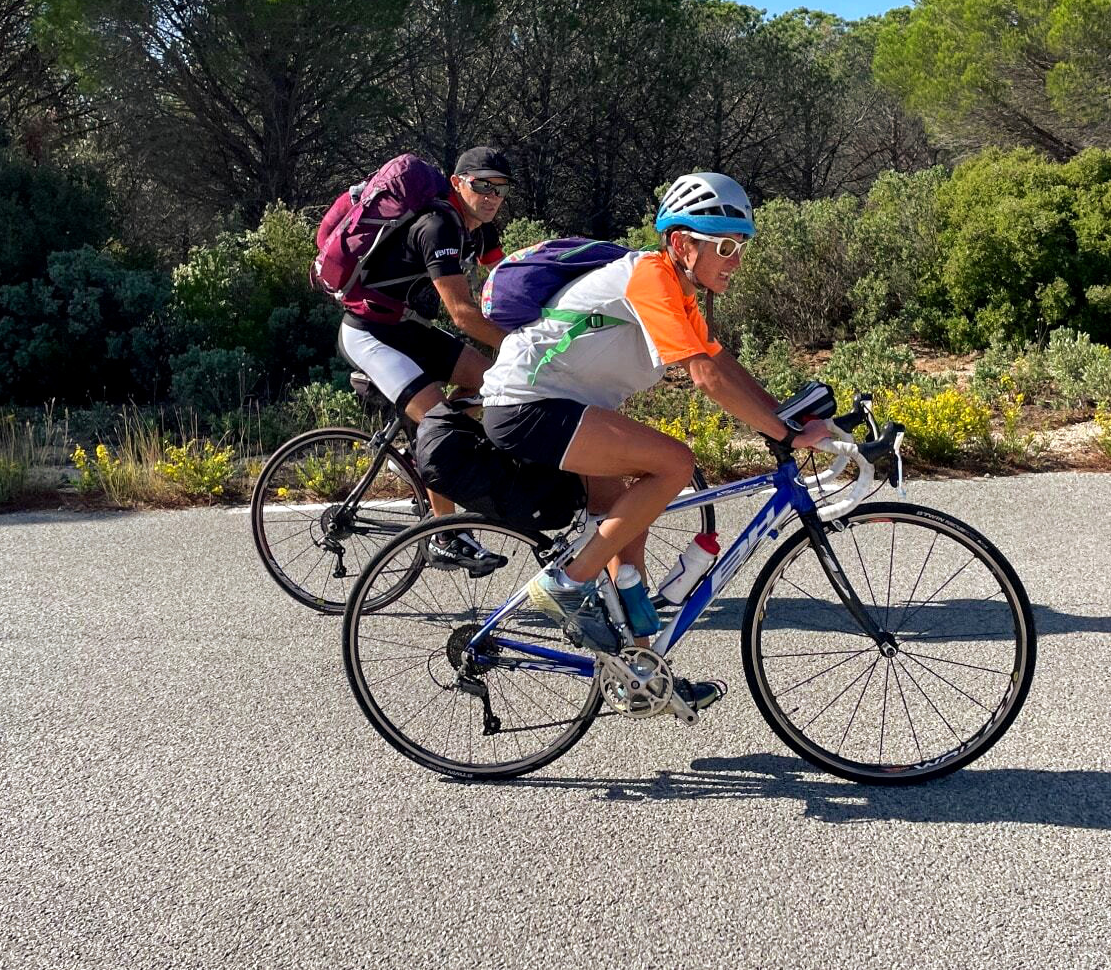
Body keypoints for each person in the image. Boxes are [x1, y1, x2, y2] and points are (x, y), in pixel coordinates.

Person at [477, 172, 836, 711]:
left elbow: (720, 362)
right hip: (526, 404)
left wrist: (782, 417)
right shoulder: (649, 275)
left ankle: (641, 673)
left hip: (568, 409)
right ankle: (566, 584)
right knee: (673, 463)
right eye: (724, 246)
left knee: (626, 533)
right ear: (681, 242)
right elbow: (704, 378)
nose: (735, 259)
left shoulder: (681, 291)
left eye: (741, 246)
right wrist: (782, 432)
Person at [338, 145, 516, 572]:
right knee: (444, 423)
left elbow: (510, 278)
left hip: (405, 328)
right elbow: (462, 313)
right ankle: (445, 535)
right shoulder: (437, 226)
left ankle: (426, 448)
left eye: (501, 189)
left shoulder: (479, 226)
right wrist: (522, 346)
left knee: (491, 380)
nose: (491, 196)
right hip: (369, 334)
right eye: (482, 186)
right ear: (458, 183)